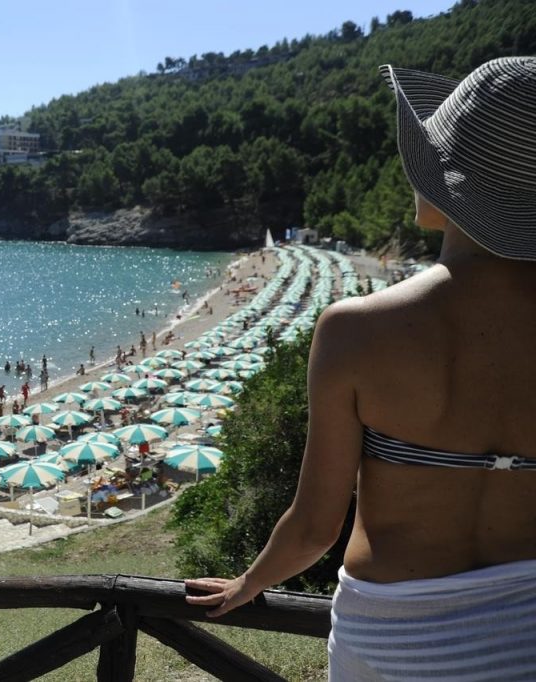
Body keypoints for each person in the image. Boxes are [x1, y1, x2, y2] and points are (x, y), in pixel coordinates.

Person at [185, 58, 536, 679]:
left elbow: (316, 526)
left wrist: (249, 582)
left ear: (448, 182)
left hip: (392, 638)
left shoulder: (357, 329)